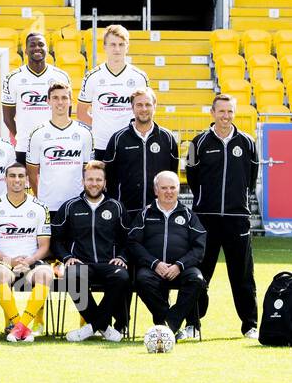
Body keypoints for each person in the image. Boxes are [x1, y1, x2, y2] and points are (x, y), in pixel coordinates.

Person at [185, 94, 260, 338]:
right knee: (199, 274)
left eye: (230, 111)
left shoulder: (247, 142)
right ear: (212, 113)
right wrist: (206, 199)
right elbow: (192, 176)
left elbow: (251, 176)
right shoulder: (198, 143)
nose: (225, 116)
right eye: (221, 112)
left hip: (237, 218)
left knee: (242, 275)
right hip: (205, 218)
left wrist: (237, 200)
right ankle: (193, 324)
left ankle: (250, 325)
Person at [54, 161, 130, 342]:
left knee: (122, 278)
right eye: (90, 180)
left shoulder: (116, 207)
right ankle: (103, 326)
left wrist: (122, 256)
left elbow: (129, 239)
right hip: (81, 263)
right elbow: (56, 239)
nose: (94, 183)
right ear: (83, 181)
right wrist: (67, 257)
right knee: (71, 277)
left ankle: (93, 327)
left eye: (98, 180)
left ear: (105, 183)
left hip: (109, 263)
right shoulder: (70, 207)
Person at [129, 170, 207, 341]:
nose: (169, 192)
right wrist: (154, 263)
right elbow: (133, 243)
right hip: (153, 269)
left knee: (198, 280)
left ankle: (169, 323)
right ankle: (168, 324)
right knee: (141, 280)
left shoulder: (188, 215)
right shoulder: (145, 214)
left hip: (181, 269)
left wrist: (179, 265)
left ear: (178, 190)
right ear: (156, 190)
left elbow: (199, 247)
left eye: (173, 187)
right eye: (164, 188)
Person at [0, 161, 53, 342]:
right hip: (3, 261)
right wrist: (10, 261)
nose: (17, 180)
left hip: (31, 261)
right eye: (12, 176)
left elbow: (44, 246)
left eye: (21, 176)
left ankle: (20, 328)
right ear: (5, 179)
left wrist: (29, 261)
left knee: (46, 274)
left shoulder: (39, 208)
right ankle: (21, 327)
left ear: (27, 180)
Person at [100, 87, 179, 226]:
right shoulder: (118, 139)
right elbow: (108, 176)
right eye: (139, 105)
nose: (144, 109)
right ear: (132, 107)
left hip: (157, 212)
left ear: (154, 106)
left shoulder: (167, 138)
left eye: (148, 104)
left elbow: (172, 174)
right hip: (125, 212)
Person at [26, 82, 94, 222]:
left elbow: (87, 170)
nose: (60, 102)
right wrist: (41, 197)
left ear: (70, 101)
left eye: (64, 97)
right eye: (55, 98)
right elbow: (32, 172)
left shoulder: (84, 133)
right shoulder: (38, 133)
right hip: (48, 205)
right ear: (48, 101)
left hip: (77, 204)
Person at [77, 23, 149, 152]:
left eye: (121, 44)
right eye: (113, 44)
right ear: (104, 46)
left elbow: (147, 110)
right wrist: (100, 127)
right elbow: (81, 113)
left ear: (127, 47)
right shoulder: (92, 77)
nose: (117, 49)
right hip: (101, 145)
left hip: (131, 143)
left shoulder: (139, 77)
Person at [2, 31, 71, 163]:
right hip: (24, 146)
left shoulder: (61, 76)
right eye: (32, 45)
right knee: (27, 184)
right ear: (26, 50)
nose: (37, 48)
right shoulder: (13, 78)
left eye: (41, 44)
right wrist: (21, 136)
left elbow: (66, 111)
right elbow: (7, 117)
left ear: (47, 49)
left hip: (54, 144)